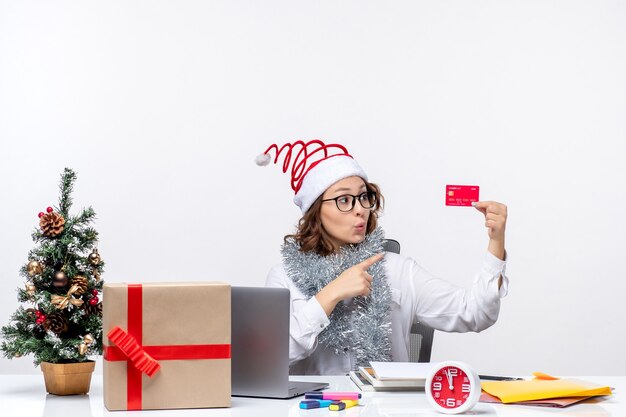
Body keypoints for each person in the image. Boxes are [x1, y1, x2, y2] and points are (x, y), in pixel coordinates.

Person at [257, 140, 508, 375]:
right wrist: (330, 294)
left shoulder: (396, 270)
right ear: (315, 211)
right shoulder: (285, 277)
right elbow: (270, 358)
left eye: (364, 196)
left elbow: (475, 313)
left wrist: (496, 242)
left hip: (385, 406)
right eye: (344, 199)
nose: (360, 209)